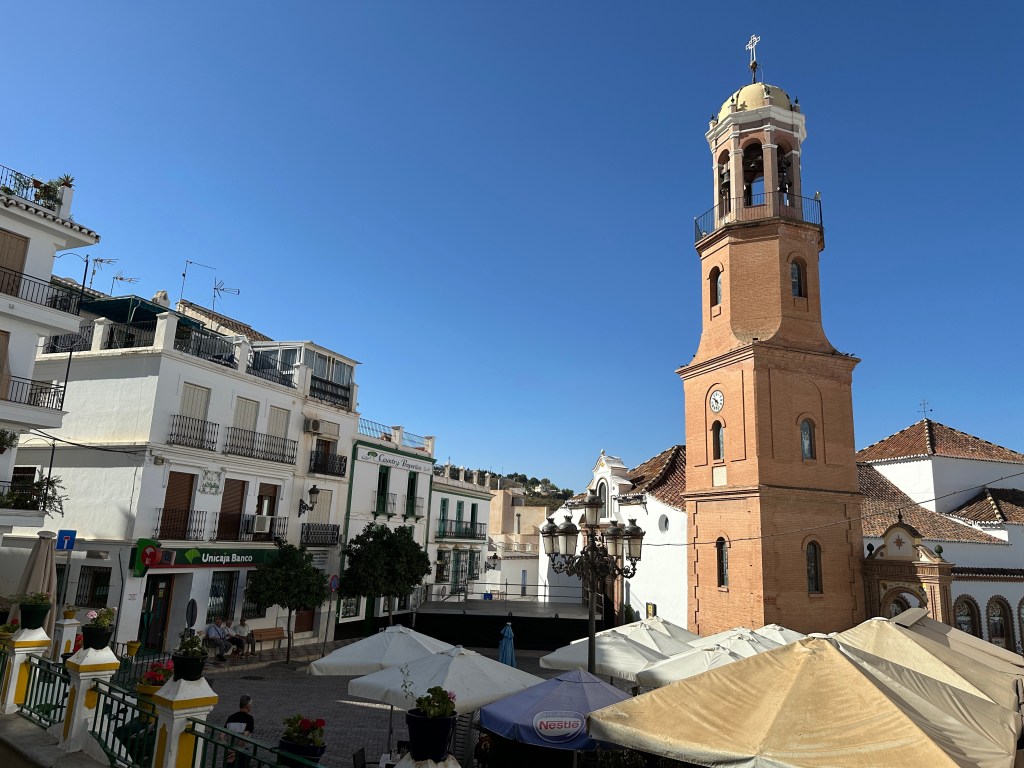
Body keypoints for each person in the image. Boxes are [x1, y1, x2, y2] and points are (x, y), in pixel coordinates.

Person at [224, 695, 254, 768]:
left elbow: (221, 736)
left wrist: (229, 748)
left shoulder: (231, 717)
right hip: (241, 752)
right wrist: (235, 752)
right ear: (248, 706)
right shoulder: (249, 719)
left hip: (229, 752)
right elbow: (244, 738)